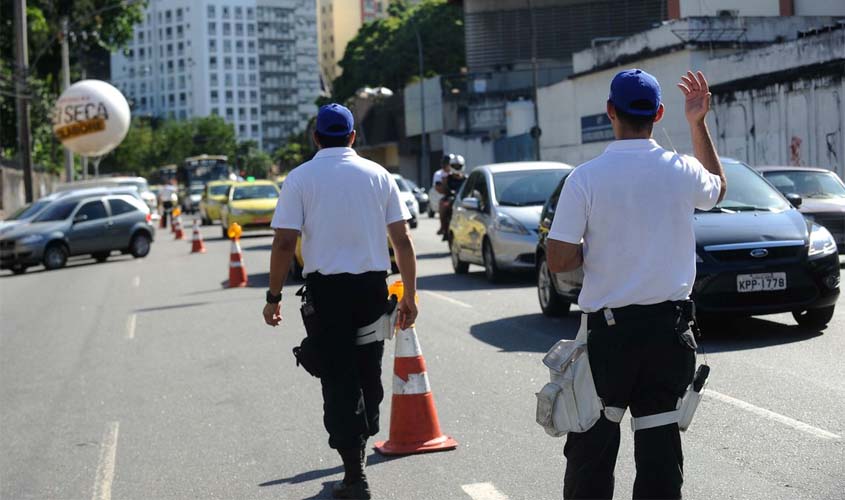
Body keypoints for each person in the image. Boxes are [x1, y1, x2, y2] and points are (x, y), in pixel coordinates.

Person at [546, 69, 726, 500]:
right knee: (661, 454)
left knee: (592, 451)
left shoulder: (585, 178)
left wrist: (604, 252)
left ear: (610, 111)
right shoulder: (681, 170)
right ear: (659, 113)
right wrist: (698, 124)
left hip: (610, 336)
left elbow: (557, 259)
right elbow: (718, 190)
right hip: (669, 332)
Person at [262, 103, 419, 500]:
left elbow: (283, 242)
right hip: (371, 292)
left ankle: (354, 475)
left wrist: (273, 296)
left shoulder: (300, 179)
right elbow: (402, 241)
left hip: (327, 297)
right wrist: (410, 297)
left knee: (338, 378)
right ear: (353, 136)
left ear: (316, 137)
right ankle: (359, 454)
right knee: (368, 372)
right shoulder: (378, 175)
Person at [438, 154, 467, 241]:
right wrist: (445, 187)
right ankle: (443, 227)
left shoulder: (466, 179)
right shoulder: (447, 178)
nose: (457, 168)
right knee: (443, 205)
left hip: (462, 200)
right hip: (450, 199)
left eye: (459, 166)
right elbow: (443, 189)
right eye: (455, 166)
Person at [432, 154, 454, 235]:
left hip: (457, 196)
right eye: (448, 164)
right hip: (446, 197)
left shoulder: (456, 172)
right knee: (443, 205)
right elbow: (438, 188)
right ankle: (442, 226)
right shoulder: (438, 174)